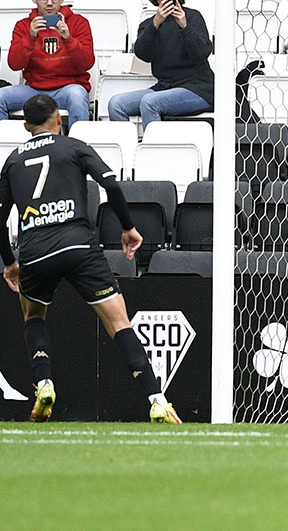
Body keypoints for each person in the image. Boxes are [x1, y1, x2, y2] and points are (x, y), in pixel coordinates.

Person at [0, 94, 181, 424]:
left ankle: (43, 384)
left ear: (26, 126)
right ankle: (156, 400)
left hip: (36, 252)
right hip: (78, 246)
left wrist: (10, 262)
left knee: (33, 317)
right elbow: (110, 183)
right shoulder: (72, 146)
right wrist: (128, 227)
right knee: (118, 323)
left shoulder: (12, 160)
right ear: (59, 120)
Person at [108, 0, 213, 131]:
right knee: (116, 104)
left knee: (150, 102)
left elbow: (201, 54)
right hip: (165, 87)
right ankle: (128, 148)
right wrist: (155, 25)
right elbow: (143, 54)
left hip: (198, 87)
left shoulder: (193, 17)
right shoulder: (149, 24)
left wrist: (184, 26)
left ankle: (153, 151)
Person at [0, 0, 94, 125]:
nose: (49, 3)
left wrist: (68, 39)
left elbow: (87, 63)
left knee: (77, 96)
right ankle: (5, 145)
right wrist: (30, 37)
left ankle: (78, 147)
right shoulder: (24, 25)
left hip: (68, 88)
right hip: (34, 90)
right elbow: (14, 64)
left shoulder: (79, 23)